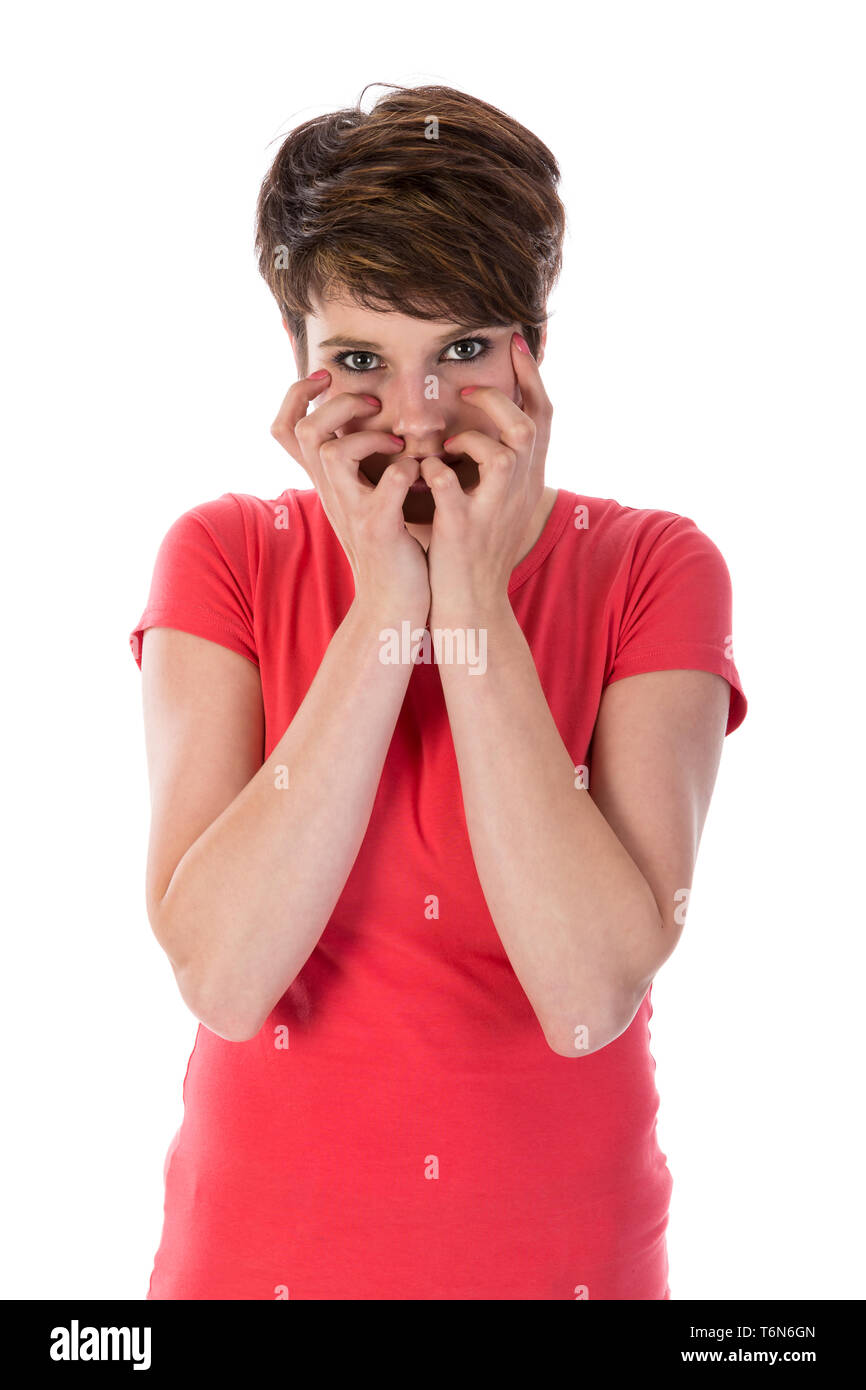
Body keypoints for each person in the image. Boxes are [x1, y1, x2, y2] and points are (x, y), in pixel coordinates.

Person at [129, 82, 747, 1300]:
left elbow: (586, 995)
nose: (414, 416)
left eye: (460, 349)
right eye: (360, 359)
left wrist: (467, 600)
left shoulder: (656, 568)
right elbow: (224, 975)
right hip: (257, 1272)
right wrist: (383, 610)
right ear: (297, 367)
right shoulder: (223, 556)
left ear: (535, 352)